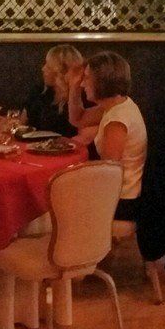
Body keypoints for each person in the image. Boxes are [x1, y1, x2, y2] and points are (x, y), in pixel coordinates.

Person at [70, 51, 147, 221]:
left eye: (87, 78)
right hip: (117, 194)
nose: (83, 84)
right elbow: (78, 119)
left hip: (120, 201)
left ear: (102, 81)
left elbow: (108, 171)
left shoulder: (117, 120)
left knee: (59, 194)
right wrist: (74, 86)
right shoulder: (118, 105)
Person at [25, 44, 84, 137]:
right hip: (34, 144)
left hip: (67, 145)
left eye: (48, 66)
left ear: (61, 72)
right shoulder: (40, 91)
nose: (43, 69)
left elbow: (85, 136)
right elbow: (22, 124)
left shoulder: (82, 96)